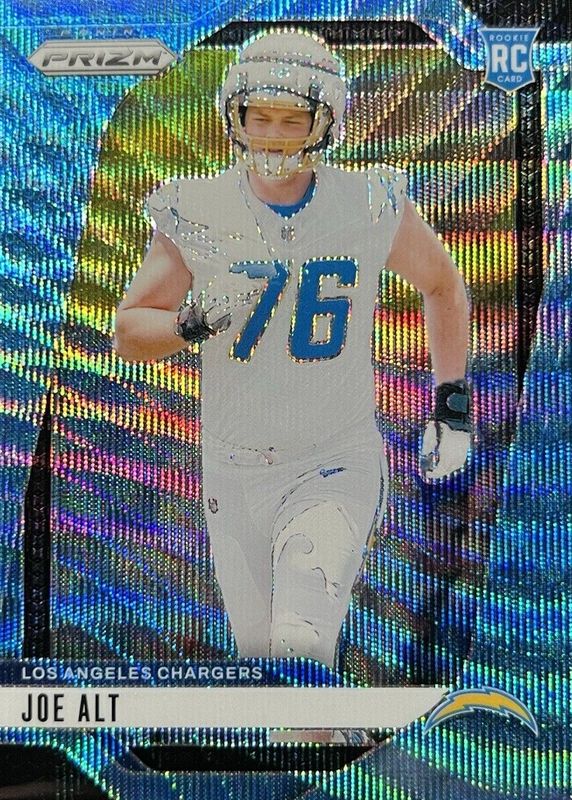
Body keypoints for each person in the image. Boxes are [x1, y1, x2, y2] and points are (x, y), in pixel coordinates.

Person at [113, 30, 471, 742]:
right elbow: (128, 330)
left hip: (332, 461)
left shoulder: (367, 201)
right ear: (235, 116)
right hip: (234, 470)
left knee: (299, 650)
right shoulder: (197, 207)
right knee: (273, 700)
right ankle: (340, 752)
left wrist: (452, 406)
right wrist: (189, 322)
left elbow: (442, 285)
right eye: (260, 116)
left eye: (291, 118)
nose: (273, 134)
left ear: (325, 120)